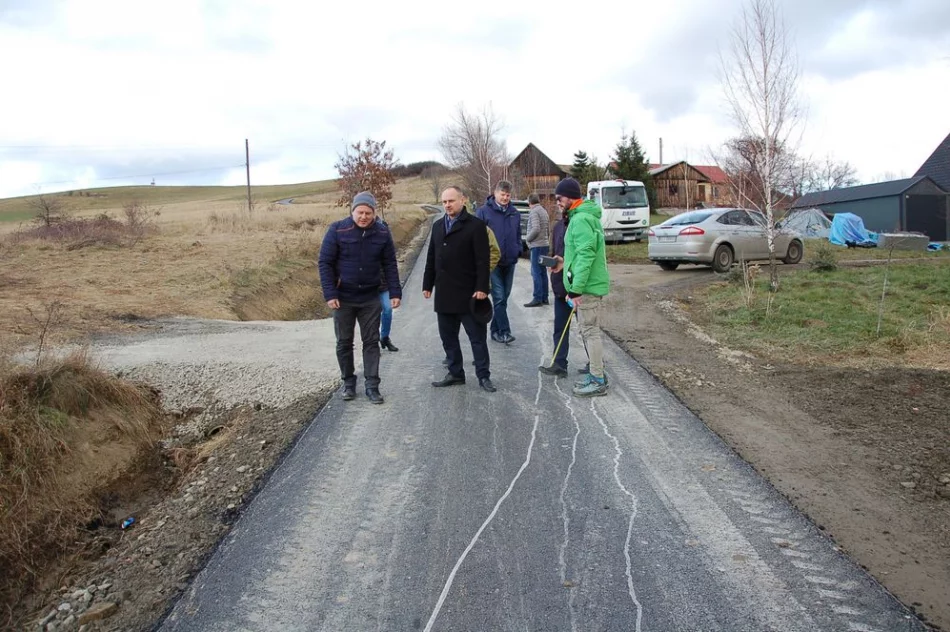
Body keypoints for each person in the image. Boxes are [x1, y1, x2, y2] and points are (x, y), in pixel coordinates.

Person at [318, 192, 401, 404]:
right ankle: (348, 382)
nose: (363, 216)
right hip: (343, 298)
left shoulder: (382, 233)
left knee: (371, 342)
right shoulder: (337, 230)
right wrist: (330, 293)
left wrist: (395, 292)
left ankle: (372, 386)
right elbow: (325, 263)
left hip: (370, 298)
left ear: (374, 213)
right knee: (344, 342)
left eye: (368, 213)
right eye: (360, 212)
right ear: (352, 211)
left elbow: (390, 263)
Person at [424, 185, 496, 393]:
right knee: (448, 338)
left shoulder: (475, 225)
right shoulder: (437, 226)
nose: (447, 205)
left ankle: (484, 376)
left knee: (477, 339)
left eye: (451, 201)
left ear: (462, 200)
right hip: (445, 293)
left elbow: (482, 260)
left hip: (470, 294)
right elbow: (431, 257)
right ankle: (456, 374)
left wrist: (482, 287)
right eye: (444, 202)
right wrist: (427, 284)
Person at [550, 178, 610, 397]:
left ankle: (598, 380)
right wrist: (562, 263)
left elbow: (586, 255)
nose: (557, 202)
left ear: (571, 197)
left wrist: (576, 288)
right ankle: (598, 373)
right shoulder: (580, 217)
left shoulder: (581, 219)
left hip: (587, 288)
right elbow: (579, 253)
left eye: (560, 198)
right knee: (589, 331)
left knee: (590, 331)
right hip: (586, 285)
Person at [475, 180, 521, 344]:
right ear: (495, 193)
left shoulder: (515, 213)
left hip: (510, 262)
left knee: (504, 298)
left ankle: (494, 330)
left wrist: (518, 249)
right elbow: (477, 237)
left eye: (508, 195)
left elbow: (517, 234)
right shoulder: (483, 212)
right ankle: (504, 331)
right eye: (502, 194)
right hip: (492, 262)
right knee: (499, 297)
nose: (505, 198)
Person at [537, 205, 570, 377]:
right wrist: (552, 262)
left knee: (586, 329)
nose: (559, 206)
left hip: (578, 286)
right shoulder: (557, 227)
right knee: (560, 327)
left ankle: (595, 365)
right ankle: (559, 363)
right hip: (560, 285)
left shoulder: (580, 225)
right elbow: (554, 251)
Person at [376, 216, 399, 352]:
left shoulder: (383, 226)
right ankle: (373, 343)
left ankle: (384, 337)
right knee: (372, 314)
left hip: (383, 281)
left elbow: (390, 260)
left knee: (388, 309)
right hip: (368, 284)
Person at [523, 193, 550, 307]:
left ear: (529, 202)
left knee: (536, 272)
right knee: (543, 272)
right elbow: (547, 229)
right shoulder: (543, 211)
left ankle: (537, 298)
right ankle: (545, 297)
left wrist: (527, 239)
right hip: (544, 244)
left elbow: (536, 228)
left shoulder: (534, 212)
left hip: (537, 246)